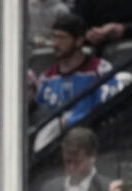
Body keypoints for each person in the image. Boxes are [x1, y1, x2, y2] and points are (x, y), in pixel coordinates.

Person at [33, 13, 120, 151]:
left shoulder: (100, 69)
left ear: (79, 41)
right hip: (54, 149)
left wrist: (67, 122)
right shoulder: (46, 78)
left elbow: (107, 106)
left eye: (61, 38)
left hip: (92, 142)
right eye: (53, 37)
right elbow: (40, 116)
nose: (55, 43)